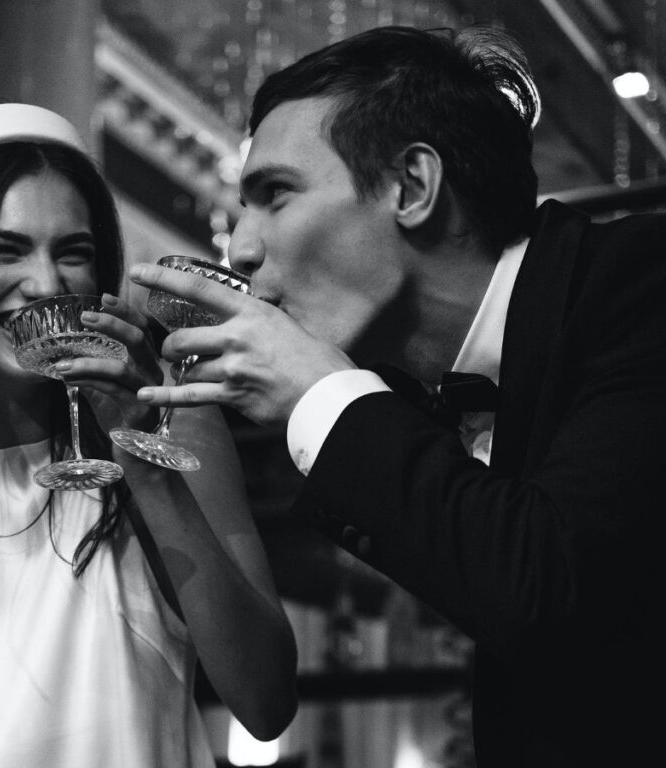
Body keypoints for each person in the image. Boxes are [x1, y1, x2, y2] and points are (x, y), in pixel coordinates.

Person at [128, 25, 664, 768]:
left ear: (412, 187)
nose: (240, 249)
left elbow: (549, 588)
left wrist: (320, 392)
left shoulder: (643, 282)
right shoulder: (427, 403)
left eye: (274, 194)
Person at [0, 103, 297, 768]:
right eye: (5, 250)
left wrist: (142, 460)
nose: (45, 285)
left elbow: (264, 701)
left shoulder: (175, 419)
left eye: (73, 253)